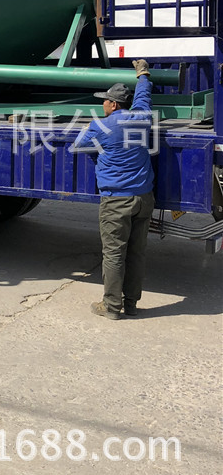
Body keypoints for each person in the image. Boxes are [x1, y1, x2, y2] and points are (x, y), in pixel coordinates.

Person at [74, 59, 155, 320]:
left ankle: (110, 307)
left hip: (116, 200)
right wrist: (143, 76)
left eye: (105, 101)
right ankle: (130, 304)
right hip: (143, 198)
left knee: (114, 254)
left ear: (113, 104)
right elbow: (143, 98)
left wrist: (90, 132)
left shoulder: (102, 125)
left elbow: (79, 145)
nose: (103, 104)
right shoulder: (142, 118)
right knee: (136, 253)